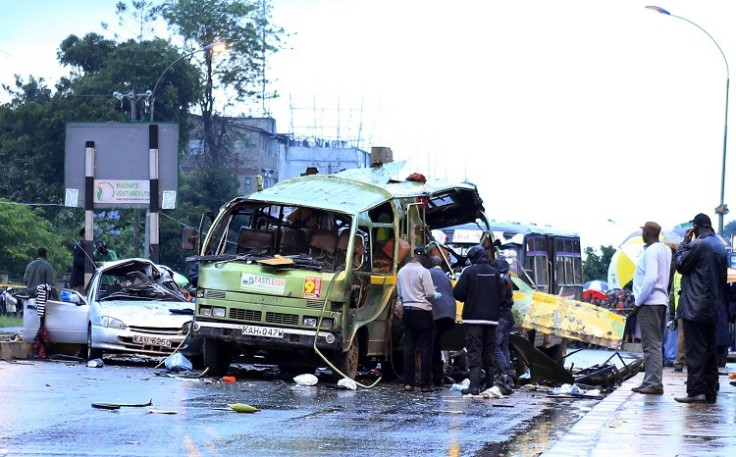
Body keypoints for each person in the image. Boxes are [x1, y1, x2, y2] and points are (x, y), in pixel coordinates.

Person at [674, 213, 728, 404]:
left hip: (694, 306)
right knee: (709, 350)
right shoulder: (720, 247)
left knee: (695, 351)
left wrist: (683, 243)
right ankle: (710, 391)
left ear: (695, 228)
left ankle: (696, 391)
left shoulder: (698, 245)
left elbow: (680, 265)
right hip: (713, 306)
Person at [452, 244, 504, 396]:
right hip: (492, 320)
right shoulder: (495, 273)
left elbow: (458, 294)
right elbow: (502, 296)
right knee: (489, 351)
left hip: (473, 319)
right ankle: (489, 386)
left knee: (474, 350)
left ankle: (474, 386)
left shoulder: (469, 272)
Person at [630, 221, 672, 395]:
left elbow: (650, 279)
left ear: (647, 233)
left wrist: (638, 302)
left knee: (651, 344)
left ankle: (654, 382)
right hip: (660, 300)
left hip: (649, 302)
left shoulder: (652, 251)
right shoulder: (665, 249)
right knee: (654, 343)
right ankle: (649, 380)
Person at [396, 246, 437, 393]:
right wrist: (429, 299)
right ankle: (425, 384)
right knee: (425, 349)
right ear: (424, 258)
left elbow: (399, 294)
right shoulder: (424, 272)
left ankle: (408, 383)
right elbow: (431, 293)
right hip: (423, 312)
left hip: (407, 312)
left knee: (408, 348)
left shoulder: (401, 271)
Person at [427, 255, 456, 388]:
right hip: (450, 313)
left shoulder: (429, 273)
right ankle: (438, 376)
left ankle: (433, 377)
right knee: (436, 344)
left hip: (437, 313)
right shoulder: (445, 276)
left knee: (431, 345)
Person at [491, 257, 515, 395]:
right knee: (504, 347)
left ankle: (505, 375)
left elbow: (498, 298)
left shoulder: (502, 280)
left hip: (501, 316)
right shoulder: (508, 278)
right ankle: (507, 377)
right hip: (508, 316)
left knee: (496, 347)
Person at [70, 228, 91, 293]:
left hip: (86, 278)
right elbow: (78, 261)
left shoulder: (89, 245)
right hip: (79, 278)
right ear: (84, 234)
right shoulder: (80, 246)